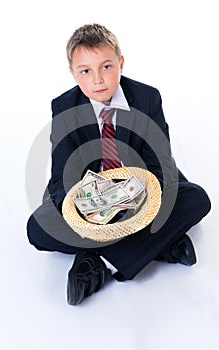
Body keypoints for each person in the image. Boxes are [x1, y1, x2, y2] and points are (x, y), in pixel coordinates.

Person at [26, 23, 211, 305]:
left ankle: (98, 261)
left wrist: (140, 210)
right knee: (37, 229)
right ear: (73, 73)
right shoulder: (64, 106)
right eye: (85, 71)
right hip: (88, 198)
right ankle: (159, 243)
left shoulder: (147, 98)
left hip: (143, 190)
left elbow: (159, 164)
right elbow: (62, 174)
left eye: (106, 67)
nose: (98, 79)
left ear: (121, 63)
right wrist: (89, 219)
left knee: (197, 199)